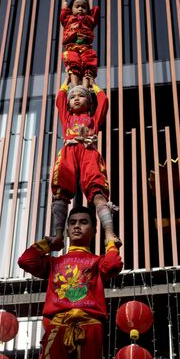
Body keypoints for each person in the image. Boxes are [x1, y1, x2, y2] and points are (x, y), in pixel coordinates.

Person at [17, 206, 123, 359]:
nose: (76, 226)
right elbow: (26, 261)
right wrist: (51, 242)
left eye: (83, 222)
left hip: (89, 325)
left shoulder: (97, 262)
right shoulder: (53, 262)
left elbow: (113, 265)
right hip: (57, 325)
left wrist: (110, 241)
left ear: (94, 231)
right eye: (72, 223)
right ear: (67, 230)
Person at [48, 76, 120, 248]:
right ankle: (58, 235)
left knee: (97, 191)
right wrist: (66, 83)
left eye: (80, 96)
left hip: (88, 152)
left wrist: (94, 86)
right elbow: (59, 100)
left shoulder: (93, 120)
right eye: (72, 97)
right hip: (69, 152)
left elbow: (103, 101)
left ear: (88, 102)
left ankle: (109, 234)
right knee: (61, 192)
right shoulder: (67, 119)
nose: (76, 99)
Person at [60, 0, 100, 87]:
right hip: (71, 47)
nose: (80, 9)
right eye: (77, 6)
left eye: (84, 7)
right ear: (71, 9)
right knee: (73, 63)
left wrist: (91, 11)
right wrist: (65, 7)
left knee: (89, 64)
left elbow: (96, 11)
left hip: (86, 47)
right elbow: (63, 15)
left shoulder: (90, 19)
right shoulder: (68, 19)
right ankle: (75, 87)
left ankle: (85, 88)